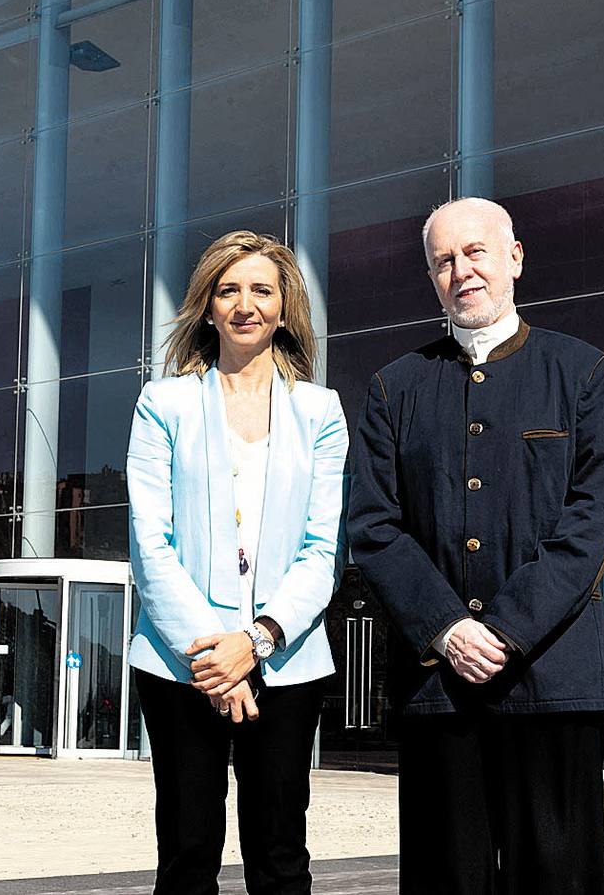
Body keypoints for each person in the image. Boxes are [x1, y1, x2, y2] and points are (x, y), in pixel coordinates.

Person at [347, 198, 604, 893]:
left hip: (553, 682)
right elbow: (375, 529)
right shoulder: (393, 389)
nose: (461, 270)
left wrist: (500, 631)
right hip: (439, 687)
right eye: (444, 260)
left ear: (515, 258)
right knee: (449, 878)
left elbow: (587, 528)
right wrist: (447, 629)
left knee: (559, 877)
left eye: (475, 252)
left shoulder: (585, 373)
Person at [127, 230, 348, 895]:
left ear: (284, 307)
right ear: (208, 306)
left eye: (261, 289)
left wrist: (254, 643)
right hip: (178, 664)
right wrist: (217, 662)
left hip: (286, 662)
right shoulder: (161, 403)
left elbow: (323, 549)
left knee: (280, 854)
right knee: (188, 853)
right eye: (228, 290)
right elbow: (150, 542)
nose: (244, 304)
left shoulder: (320, 412)